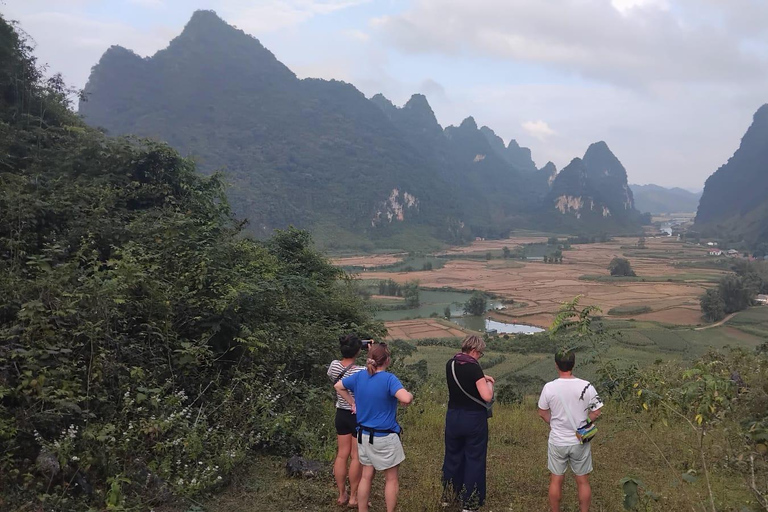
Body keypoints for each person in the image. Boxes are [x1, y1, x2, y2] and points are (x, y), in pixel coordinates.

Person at [334, 342, 413, 512]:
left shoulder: (360, 376)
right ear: (387, 360)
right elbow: (405, 398)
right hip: (384, 437)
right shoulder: (389, 379)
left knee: (366, 476)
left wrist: (352, 402)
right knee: (391, 479)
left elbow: (338, 386)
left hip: (363, 435)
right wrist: (410, 395)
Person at [537, 349, 603, 512]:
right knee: (583, 481)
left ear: (556, 365)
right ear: (573, 364)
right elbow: (597, 411)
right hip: (580, 440)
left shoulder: (549, 387)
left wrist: (553, 424)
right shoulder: (587, 386)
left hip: (557, 440)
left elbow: (542, 412)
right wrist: (585, 424)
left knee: (556, 480)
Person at [442, 335, 494, 512]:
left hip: (453, 417)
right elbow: (487, 396)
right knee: (474, 458)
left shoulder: (451, 364)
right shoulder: (474, 368)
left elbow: (464, 381)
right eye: (480, 353)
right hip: (473, 419)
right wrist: (489, 383)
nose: (480, 356)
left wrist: (481, 376)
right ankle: (470, 502)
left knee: (452, 456)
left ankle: (449, 496)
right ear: (473, 351)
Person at [328, 334, 365, 507]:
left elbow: (335, 377)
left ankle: (342, 495)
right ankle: (354, 497)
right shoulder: (361, 371)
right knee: (356, 456)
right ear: (358, 351)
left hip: (341, 414)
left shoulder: (334, 366)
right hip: (358, 415)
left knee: (342, 455)